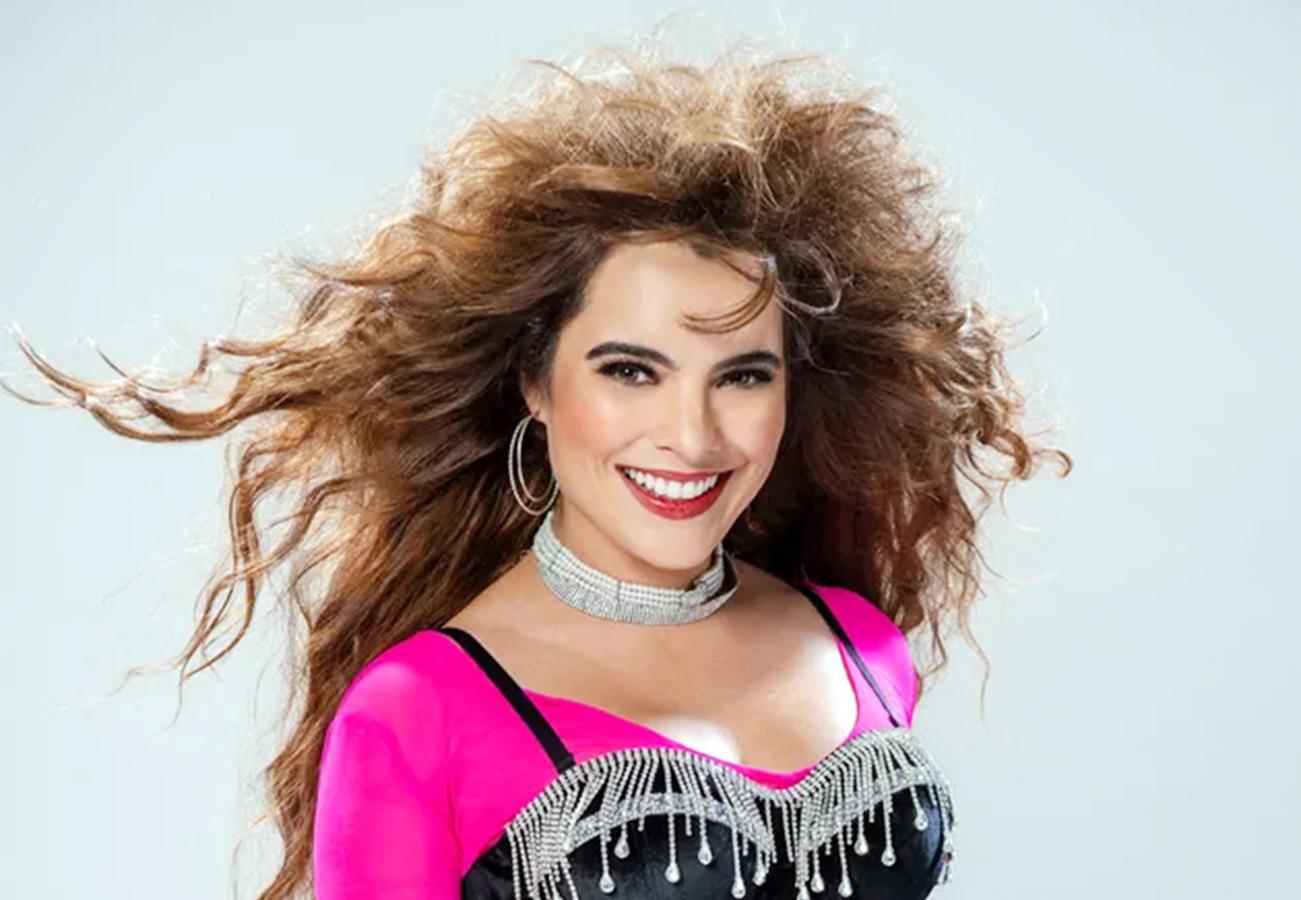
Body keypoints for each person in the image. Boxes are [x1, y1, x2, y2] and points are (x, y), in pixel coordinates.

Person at [4, 40, 1071, 900]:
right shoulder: (419, 711)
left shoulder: (858, 644)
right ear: (534, 383)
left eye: (742, 376)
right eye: (630, 370)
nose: (691, 435)